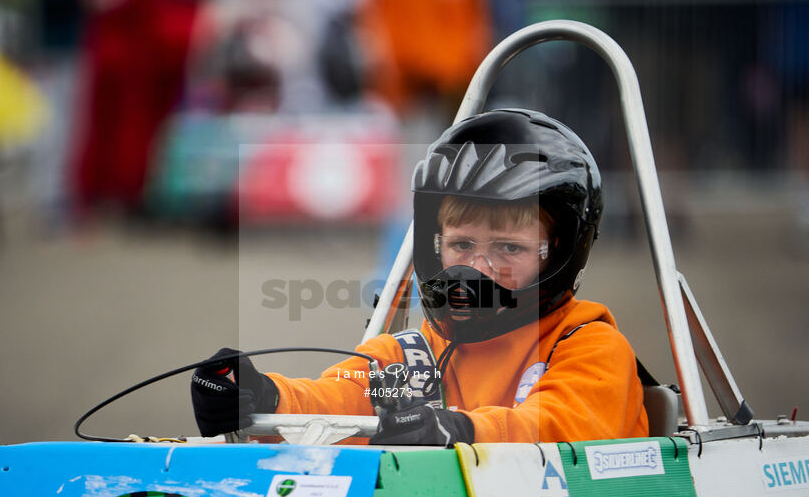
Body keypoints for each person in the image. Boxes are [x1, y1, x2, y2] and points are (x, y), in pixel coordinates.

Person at [191, 109, 649, 445]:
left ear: (562, 254)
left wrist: (459, 431)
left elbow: (559, 428)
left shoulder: (590, 348)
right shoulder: (412, 361)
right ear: (435, 243)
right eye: (462, 245)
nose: (478, 269)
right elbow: (343, 397)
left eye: (509, 248)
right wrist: (265, 396)